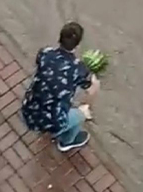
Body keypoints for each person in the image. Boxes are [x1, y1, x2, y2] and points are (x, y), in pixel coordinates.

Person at [20, 22, 100, 153]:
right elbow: (91, 89)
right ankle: (67, 141)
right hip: (53, 121)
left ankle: (47, 128)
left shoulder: (45, 53)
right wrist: (87, 105)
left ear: (60, 38)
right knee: (82, 113)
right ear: (77, 45)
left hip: (28, 111)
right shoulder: (78, 69)